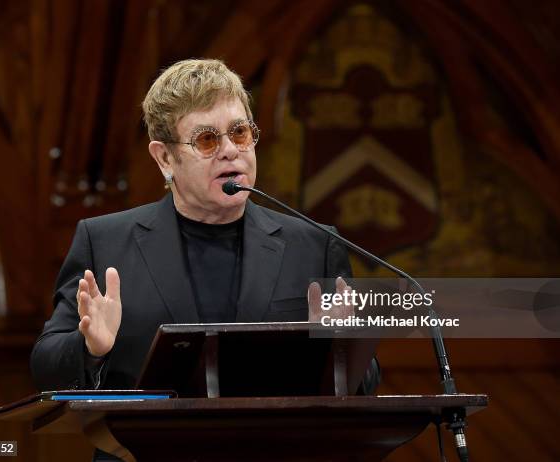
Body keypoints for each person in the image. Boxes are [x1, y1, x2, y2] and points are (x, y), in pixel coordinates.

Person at [30, 58, 379, 418]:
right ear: (165, 157)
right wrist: (90, 348)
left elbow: (365, 384)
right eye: (207, 139)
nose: (230, 150)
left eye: (240, 133)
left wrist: (342, 346)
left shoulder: (314, 246)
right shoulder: (104, 242)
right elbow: (45, 365)